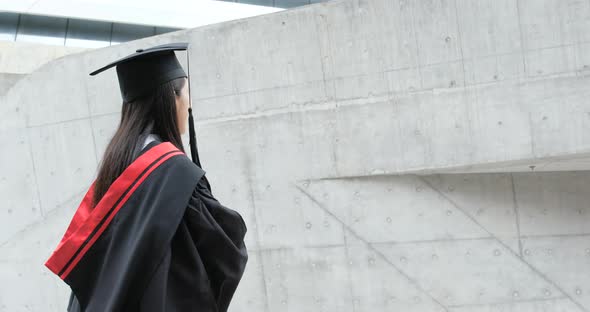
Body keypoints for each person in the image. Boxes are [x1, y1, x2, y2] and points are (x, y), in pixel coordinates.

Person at [43, 43, 248, 311]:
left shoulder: (118, 164)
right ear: (170, 98)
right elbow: (223, 253)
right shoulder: (173, 171)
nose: (189, 104)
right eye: (185, 93)